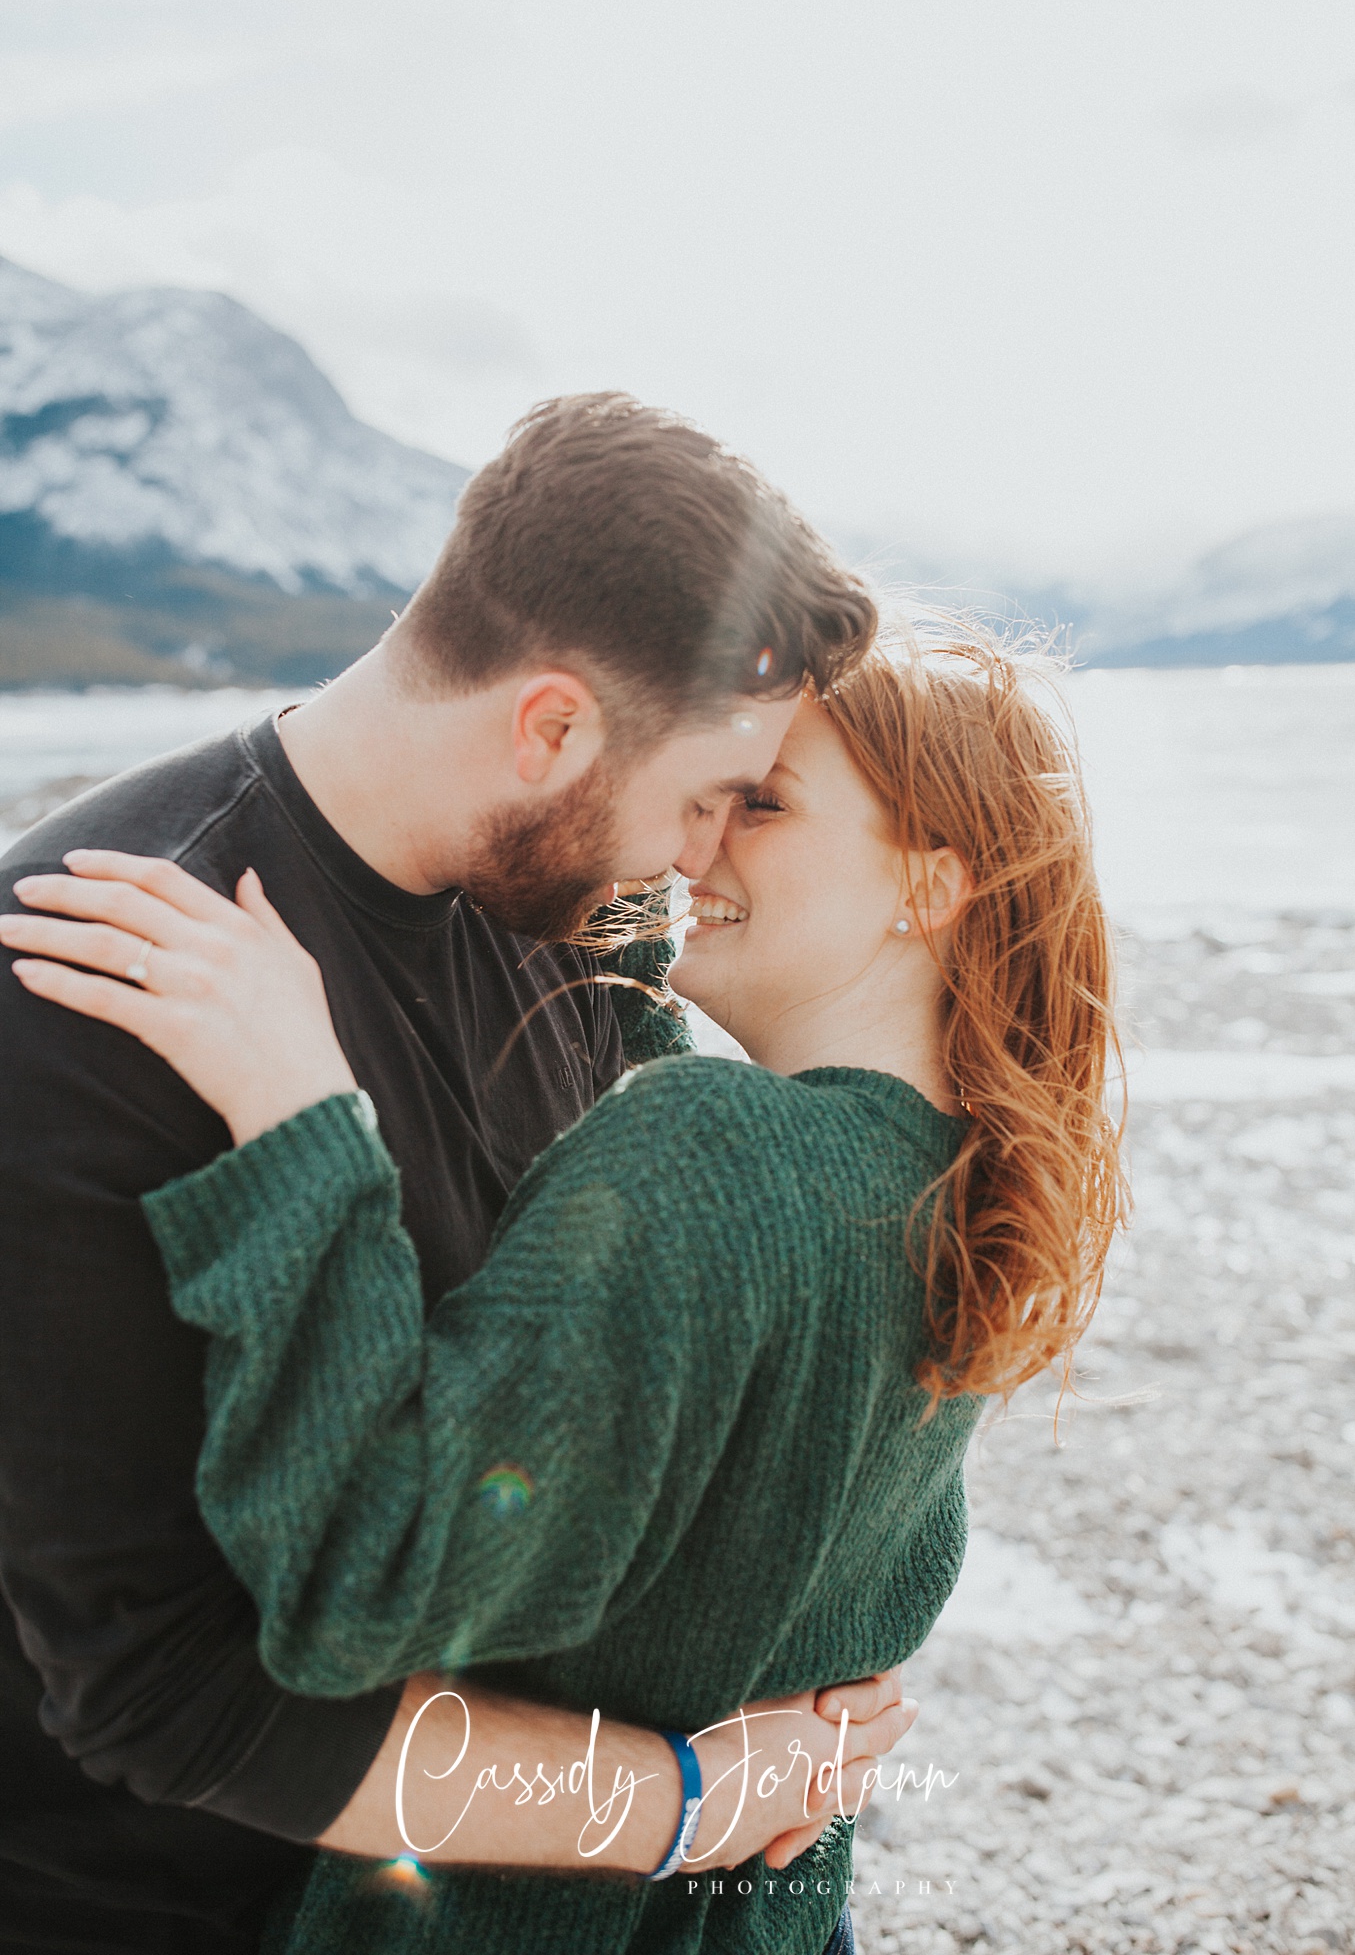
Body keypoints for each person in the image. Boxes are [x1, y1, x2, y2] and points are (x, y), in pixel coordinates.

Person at [3, 625, 1129, 1955]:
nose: (698, 842)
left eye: (763, 803)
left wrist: (305, 1121)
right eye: (711, 796)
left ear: (933, 882)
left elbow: (362, 1583)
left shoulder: (712, 1150)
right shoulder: (969, 1208)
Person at [0, 393, 893, 1954]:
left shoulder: (566, 923)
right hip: (162, 1907)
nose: (700, 861)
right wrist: (676, 1804)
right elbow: (165, 1696)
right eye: (702, 797)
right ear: (550, 723)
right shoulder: (91, 985)